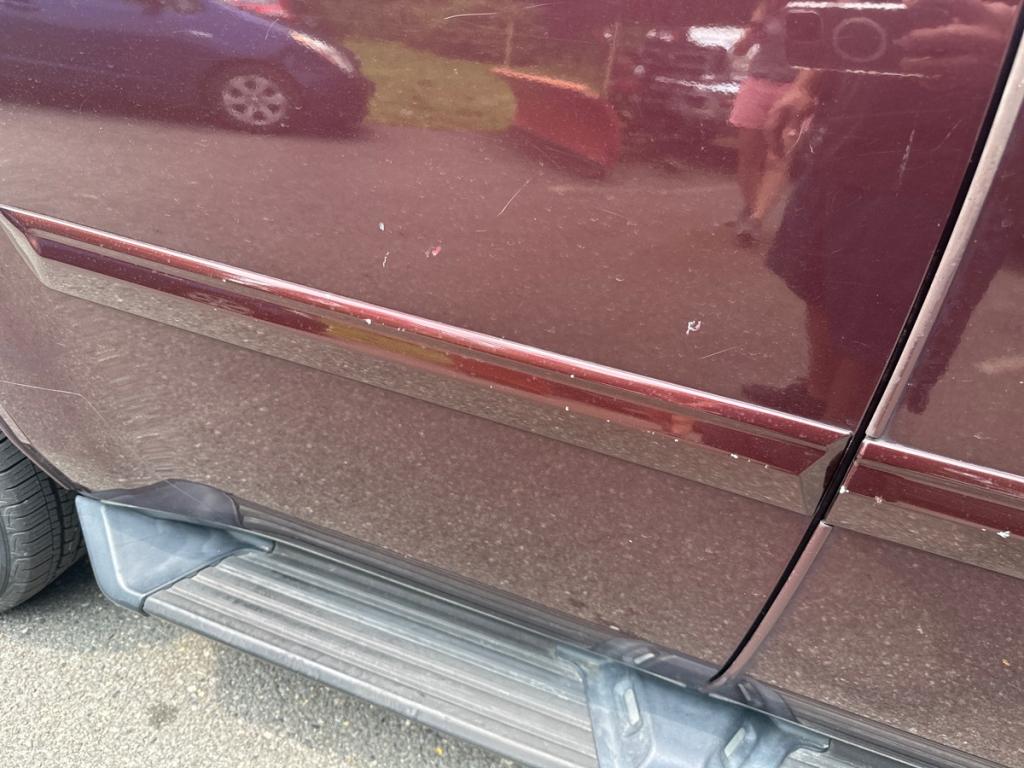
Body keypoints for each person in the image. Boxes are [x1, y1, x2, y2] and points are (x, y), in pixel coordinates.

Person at [744, 0, 1016, 424]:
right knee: (817, 279)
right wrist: (807, 85)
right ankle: (817, 401)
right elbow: (852, 16)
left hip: (938, 164)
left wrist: (1015, 50)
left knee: (880, 316)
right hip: (848, 136)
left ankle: (841, 435)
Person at [728, 0, 797, 244]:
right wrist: (752, 31)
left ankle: (756, 219)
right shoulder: (764, 10)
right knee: (748, 157)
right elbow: (739, 50)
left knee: (777, 157)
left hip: (792, 87)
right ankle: (751, 207)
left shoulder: (812, 9)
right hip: (757, 83)